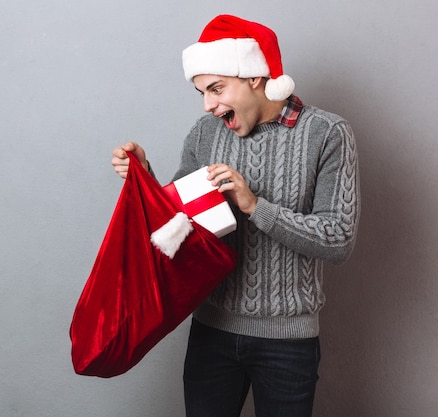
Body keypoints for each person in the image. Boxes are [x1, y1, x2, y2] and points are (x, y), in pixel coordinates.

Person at [111, 14, 360, 417]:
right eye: (202, 93)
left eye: (216, 88)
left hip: (288, 343)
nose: (209, 105)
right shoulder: (203, 134)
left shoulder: (327, 134)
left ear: (255, 78)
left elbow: (339, 239)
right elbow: (175, 230)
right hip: (211, 333)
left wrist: (254, 206)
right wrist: (145, 179)